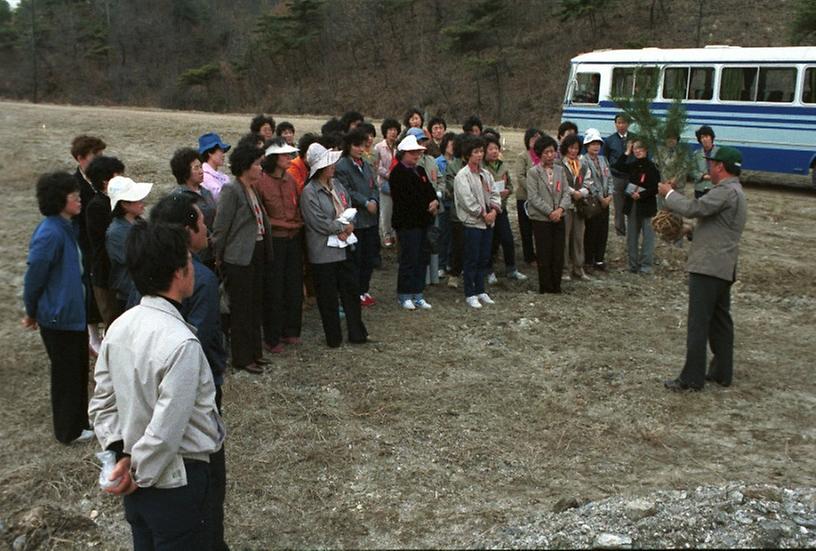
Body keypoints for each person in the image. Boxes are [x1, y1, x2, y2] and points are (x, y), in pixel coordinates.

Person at [88, 221, 225, 550]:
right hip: (176, 482)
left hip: (135, 480)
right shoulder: (181, 343)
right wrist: (138, 474)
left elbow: (102, 405)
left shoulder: (119, 328)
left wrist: (121, 454)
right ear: (179, 273)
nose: (194, 268)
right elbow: (167, 428)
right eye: (190, 262)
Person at [148, 193, 229, 550]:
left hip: (158, 384)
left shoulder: (150, 270)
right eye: (201, 222)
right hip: (198, 386)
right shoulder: (203, 279)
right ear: (187, 230)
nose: (207, 228)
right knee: (208, 475)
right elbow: (197, 336)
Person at [658, 146, 747, 391]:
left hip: (708, 268)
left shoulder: (724, 192)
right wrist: (690, 232)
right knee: (720, 321)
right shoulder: (737, 192)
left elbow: (693, 208)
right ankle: (721, 372)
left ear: (720, 167)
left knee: (698, 323)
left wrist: (669, 194)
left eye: (712, 164)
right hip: (723, 267)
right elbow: (719, 228)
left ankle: (691, 378)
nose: (709, 168)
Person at [22, 172, 93, 444]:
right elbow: (34, 277)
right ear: (56, 198)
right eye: (70, 193)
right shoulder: (49, 232)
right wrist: (31, 312)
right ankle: (67, 431)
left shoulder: (66, 226)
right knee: (66, 375)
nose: (77, 197)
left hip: (73, 317)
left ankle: (80, 424)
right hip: (58, 319)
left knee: (77, 371)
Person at [212, 143, 273, 374]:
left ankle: (255, 353)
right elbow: (221, 228)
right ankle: (242, 356)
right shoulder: (232, 190)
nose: (260, 168)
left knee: (255, 306)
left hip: (256, 253)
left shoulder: (252, 188)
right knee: (241, 309)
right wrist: (218, 257)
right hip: (238, 258)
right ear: (246, 166)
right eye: (257, 164)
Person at [300, 143, 368, 346]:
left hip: (344, 247)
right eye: (329, 163)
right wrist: (342, 227)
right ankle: (334, 337)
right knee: (328, 298)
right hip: (323, 252)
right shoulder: (309, 192)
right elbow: (319, 222)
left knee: (351, 292)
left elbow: (348, 206)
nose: (333, 166)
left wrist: (349, 225)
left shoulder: (337, 184)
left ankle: (357, 333)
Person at [255, 139, 305, 354]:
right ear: (273, 158)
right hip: (275, 240)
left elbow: (298, 205)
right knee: (274, 289)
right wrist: (284, 223)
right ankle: (272, 336)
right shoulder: (261, 182)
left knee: (293, 285)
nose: (289, 158)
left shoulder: (291, 180)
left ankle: (291, 330)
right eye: (284, 156)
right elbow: (261, 215)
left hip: (293, 238)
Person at [390, 135, 439, 309]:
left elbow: (430, 190)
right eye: (412, 153)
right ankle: (404, 294)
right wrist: (427, 204)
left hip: (424, 222)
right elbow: (406, 200)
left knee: (421, 258)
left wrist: (434, 201)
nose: (416, 156)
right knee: (408, 259)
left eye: (417, 152)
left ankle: (418, 293)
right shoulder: (397, 174)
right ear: (403, 154)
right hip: (407, 224)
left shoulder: (420, 171)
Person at [334, 129, 380, 306]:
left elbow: (374, 186)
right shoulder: (342, 166)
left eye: (362, 145)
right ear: (348, 146)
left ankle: (363, 289)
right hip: (356, 220)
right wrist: (365, 201)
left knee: (369, 258)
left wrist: (374, 199)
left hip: (370, 219)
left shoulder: (365, 164)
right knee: (356, 259)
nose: (360, 149)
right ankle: (354, 292)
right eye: (356, 145)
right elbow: (346, 191)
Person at [454, 136, 501, 309]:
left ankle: (481, 289)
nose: (479, 155)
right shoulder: (462, 176)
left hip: (488, 223)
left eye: (481, 151)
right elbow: (467, 201)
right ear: (467, 155)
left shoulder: (486, 174)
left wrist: (494, 210)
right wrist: (483, 214)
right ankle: (470, 292)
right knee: (471, 259)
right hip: (472, 223)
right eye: (476, 152)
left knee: (484, 258)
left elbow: (495, 193)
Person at [71, 135, 107, 351]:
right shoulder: (74, 185)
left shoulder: (101, 180)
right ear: (80, 158)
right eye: (95, 156)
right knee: (88, 286)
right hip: (84, 244)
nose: (99, 160)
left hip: (100, 241)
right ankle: (92, 334)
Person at [526, 135, 571, 294]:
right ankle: (545, 286)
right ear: (539, 154)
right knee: (544, 253)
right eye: (546, 152)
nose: (550, 155)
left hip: (559, 217)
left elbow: (566, 192)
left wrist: (560, 210)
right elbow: (533, 197)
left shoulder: (560, 170)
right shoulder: (533, 172)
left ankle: (556, 285)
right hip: (541, 219)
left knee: (558, 253)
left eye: (552, 152)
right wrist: (550, 211)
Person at [85, 156, 126, 327]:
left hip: (116, 274)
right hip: (106, 276)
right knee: (113, 322)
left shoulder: (110, 201)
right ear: (105, 182)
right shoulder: (97, 206)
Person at [106, 176, 153, 313]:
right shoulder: (116, 233)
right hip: (129, 294)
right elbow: (137, 259)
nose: (142, 203)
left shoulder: (140, 223)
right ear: (124, 204)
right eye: (137, 200)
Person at [483, 135, 526, 283]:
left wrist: (507, 192)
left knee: (507, 239)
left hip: (502, 208)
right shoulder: (482, 167)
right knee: (489, 242)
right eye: (491, 149)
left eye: (496, 148)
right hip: (487, 210)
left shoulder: (503, 165)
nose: (494, 152)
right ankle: (488, 271)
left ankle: (511, 269)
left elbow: (510, 186)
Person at [613, 139, 660, 274]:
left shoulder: (653, 167)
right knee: (632, 236)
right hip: (632, 204)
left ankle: (646, 265)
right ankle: (632, 264)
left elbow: (655, 188)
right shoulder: (632, 165)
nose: (637, 151)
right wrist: (627, 152)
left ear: (646, 150)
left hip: (647, 205)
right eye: (635, 149)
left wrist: (642, 195)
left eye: (640, 148)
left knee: (648, 236)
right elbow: (617, 166)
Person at [170, 147, 217, 266]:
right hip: (196, 256)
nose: (201, 171)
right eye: (196, 168)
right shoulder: (178, 197)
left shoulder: (206, 192)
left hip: (213, 252)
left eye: (201, 166)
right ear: (185, 172)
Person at [580, 129, 614, 272]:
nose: (596, 147)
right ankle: (588, 260)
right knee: (591, 231)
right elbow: (589, 182)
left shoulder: (603, 159)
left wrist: (610, 195)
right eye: (593, 144)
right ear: (587, 145)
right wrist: (600, 197)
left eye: (598, 144)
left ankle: (599, 259)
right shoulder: (584, 161)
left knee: (603, 231)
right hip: (593, 201)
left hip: (606, 200)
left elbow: (610, 178)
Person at [560, 134, 590, 281]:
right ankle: (564, 268)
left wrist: (581, 193)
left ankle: (578, 267)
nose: (573, 151)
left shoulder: (582, 165)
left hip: (579, 205)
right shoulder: (560, 164)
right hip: (566, 206)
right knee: (565, 237)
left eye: (576, 148)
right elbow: (562, 183)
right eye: (571, 148)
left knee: (579, 237)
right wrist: (573, 192)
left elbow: (588, 183)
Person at [516, 128, 541, 266]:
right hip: (524, 197)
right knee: (526, 229)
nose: (536, 140)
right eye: (533, 138)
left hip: (540, 199)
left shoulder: (543, 155)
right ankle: (529, 256)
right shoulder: (523, 156)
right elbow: (520, 176)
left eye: (538, 137)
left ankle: (539, 254)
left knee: (538, 227)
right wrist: (532, 190)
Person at [605, 113, 632, 236]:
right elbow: (605, 158)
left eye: (624, 122)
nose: (621, 125)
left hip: (632, 177)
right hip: (617, 177)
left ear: (628, 124)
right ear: (615, 124)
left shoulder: (635, 139)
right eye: (619, 123)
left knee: (632, 206)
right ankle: (620, 231)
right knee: (619, 206)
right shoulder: (610, 140)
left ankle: (633, 230)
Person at [374, 118, 400, 247]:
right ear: (385, 131)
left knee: (397, 209)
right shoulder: (378, 147)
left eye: (395, 130)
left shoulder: (399, 147)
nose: (393, 133)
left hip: (398, 184)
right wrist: (388, 174)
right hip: (384, 183)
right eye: (390, 130)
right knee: (386, 210)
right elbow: (376, 166)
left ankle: (395, 233)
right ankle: (386, 235)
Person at [435, 132, 457, 275]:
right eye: (451, 144)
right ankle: (441, 264)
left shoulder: (458, 162)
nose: (453, 147)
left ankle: (450, 262)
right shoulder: (438, 162)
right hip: (443, 203)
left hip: (456, 204)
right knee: (443, 234)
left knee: (454, 236)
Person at [199, 132, 232, 201]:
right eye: (220, 151)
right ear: (210, 153)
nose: (223, 155)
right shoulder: (204, 176)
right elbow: (222, 197)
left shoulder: (223, 176)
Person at [691, 125, 718, 198]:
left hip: (715, 188)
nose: (704, 139)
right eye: (702, 137)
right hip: (700, 189)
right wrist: (703, 176)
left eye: (706, 136)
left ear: (711, 138)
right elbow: (692, 170)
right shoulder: (696, 154)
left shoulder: (719, 152)